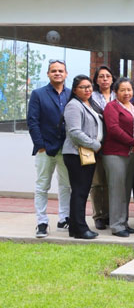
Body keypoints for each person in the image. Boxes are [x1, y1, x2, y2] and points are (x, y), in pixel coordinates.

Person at [27, 59, 72, 238]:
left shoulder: (71, 94)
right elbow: (32, 121)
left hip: (66, 148)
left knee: (65, 185)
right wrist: (40, 146)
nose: (57, 73)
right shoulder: (38, 94)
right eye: (54, 71)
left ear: (66, 74)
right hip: (45, 149)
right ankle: (42, 222)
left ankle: (64, 218)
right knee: (42, 186)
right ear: (48, 74)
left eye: (60, 70)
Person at [101, 78, 134, 237]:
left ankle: (123, 222)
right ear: (115, 92)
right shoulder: (111, 106)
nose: (127, 93)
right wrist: (133, 142)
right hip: (115, 153)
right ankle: (116, 225)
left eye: (129, 90)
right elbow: (113, 129)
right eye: (122, 90)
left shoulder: (132, 106)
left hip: (131, 153)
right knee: (117, 189)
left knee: (126, 189)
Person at [62, 75, 103, 240]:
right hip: (76, 154)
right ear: (74, 90)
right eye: (83, 87)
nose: (87, 90)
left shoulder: (90, 104)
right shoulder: (73, 105)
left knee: (81, 191)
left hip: (87, 154)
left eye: (89, 86)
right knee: (80, 192)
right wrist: (95, 144)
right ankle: (80, 229)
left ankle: (74, 228)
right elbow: (74, 132)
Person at [88, 65, 115, 231]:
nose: (105, 79)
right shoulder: (90, 97)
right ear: (96, 80)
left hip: (115, 144)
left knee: (112, 182)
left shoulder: (118, 95)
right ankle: (98, 216)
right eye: (101, 76)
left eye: (107, 76)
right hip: (97, 144)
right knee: (97, 182)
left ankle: (110, 214)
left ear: (112, 79)